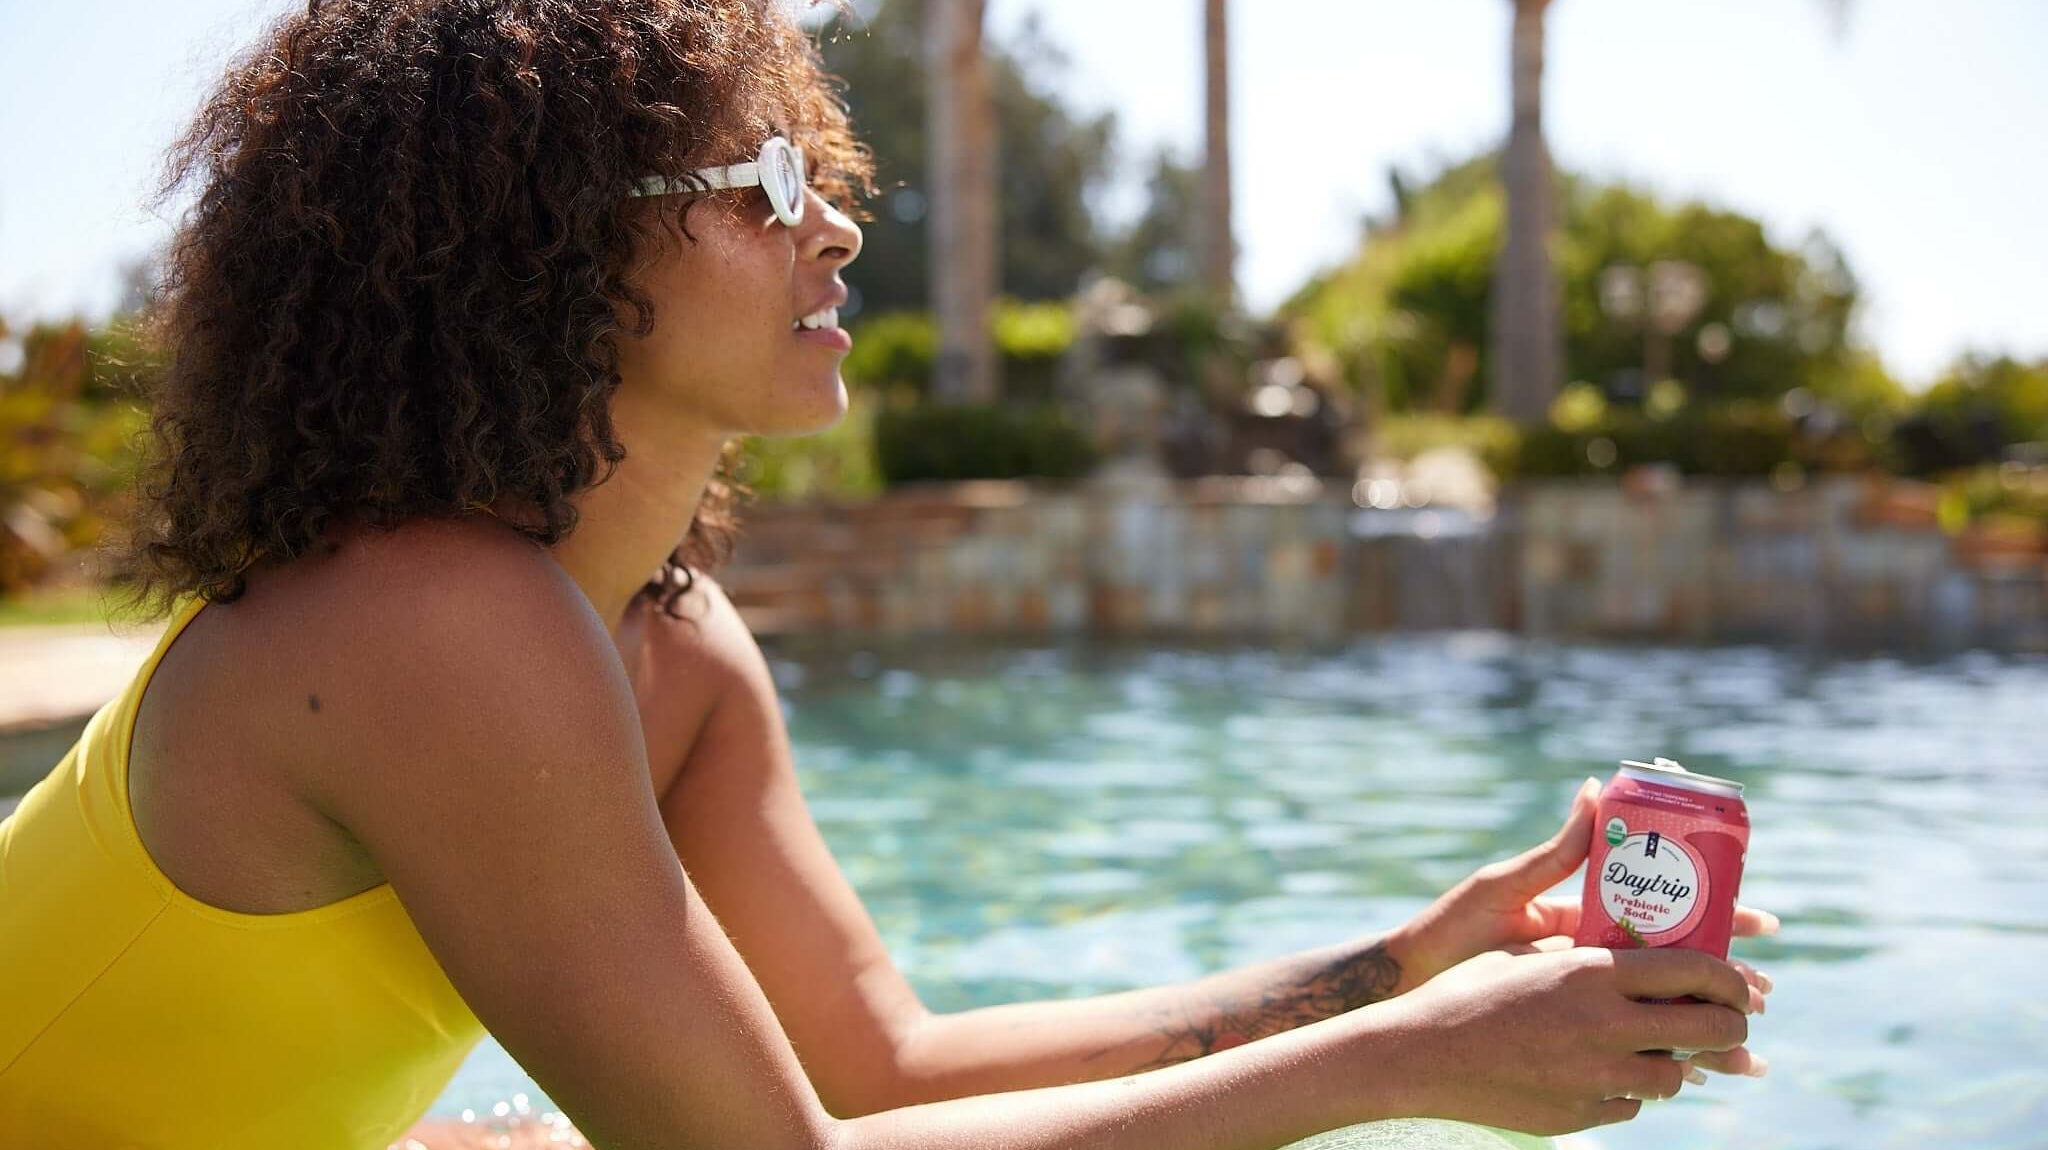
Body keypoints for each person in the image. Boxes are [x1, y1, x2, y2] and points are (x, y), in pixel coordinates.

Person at [0, 1, 1775, 1147]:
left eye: (821, 170)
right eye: (762, 176)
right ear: (538, 242)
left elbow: (881, 1069)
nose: (836, 218)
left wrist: (1409, 960)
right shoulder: (429, 621)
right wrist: (1413, 1066)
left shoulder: (670, 648)